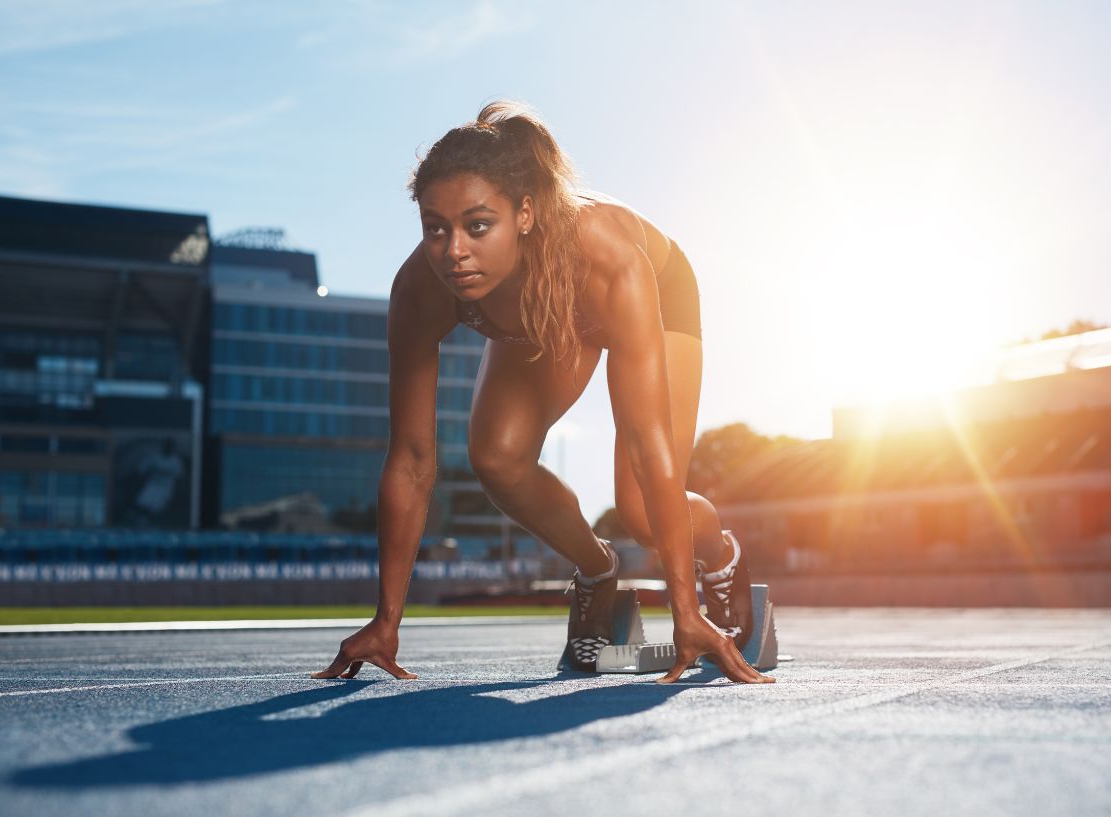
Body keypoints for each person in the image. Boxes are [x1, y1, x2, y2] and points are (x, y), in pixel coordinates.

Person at [312, 101, 773, 685]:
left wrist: (684, 612)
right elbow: (409, 459)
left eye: (478, 226)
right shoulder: (420, 289)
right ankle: (596, 571)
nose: (454, 251)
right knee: (497, 458)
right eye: (436, 227)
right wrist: (386, 618)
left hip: (647, 290)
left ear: (524, 213)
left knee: (640, 512)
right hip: (545, 313)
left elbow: (645, 440)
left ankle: (722, 556)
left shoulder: (604, 255)